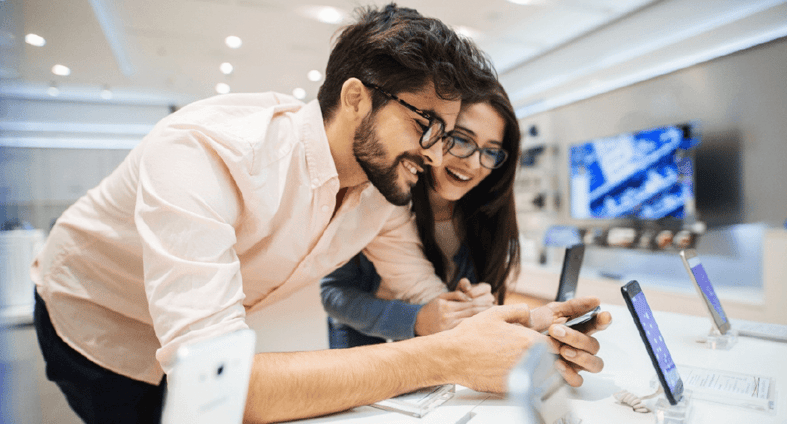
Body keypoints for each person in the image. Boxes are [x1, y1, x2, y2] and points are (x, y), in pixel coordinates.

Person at [31, 4, 609, 423]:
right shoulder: (205, 152)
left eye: (447, 133)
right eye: (424, 124)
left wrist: (516, 326)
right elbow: (222, 383)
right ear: (356, 97)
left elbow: (421, 296)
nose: (436, 155)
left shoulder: (383, 188)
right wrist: (445, 355)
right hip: (94, 319)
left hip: (190, 336)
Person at [321, 82, 523, 347]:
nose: (473, 163)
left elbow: (444, 302)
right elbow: (334, 291)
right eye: (461, 139)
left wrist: (472, 301)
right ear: (433, 134)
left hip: (440, 355)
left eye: (490, 151)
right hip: (367, 351)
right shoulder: (380, 198)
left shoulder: (483, 213)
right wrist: (414, 319)